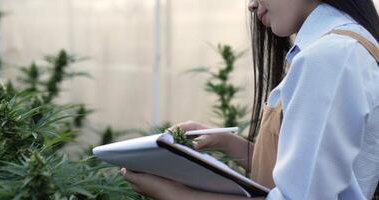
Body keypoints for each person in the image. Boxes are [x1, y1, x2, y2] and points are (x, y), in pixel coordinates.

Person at [121, 0, 379, 199]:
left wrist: (176, 194)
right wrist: (226, 141)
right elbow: (308, 171)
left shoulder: (330, 56)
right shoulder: (344, 47)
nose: (251, 4)